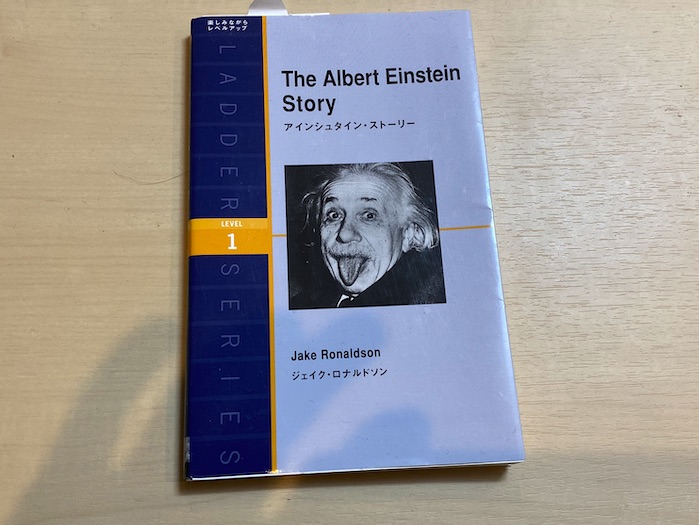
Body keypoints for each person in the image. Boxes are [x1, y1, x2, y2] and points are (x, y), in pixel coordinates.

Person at [289, 163, 446, 308]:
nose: (345, 234)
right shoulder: (298, 304)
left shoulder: (432, 302)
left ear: (409, 234)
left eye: (369, 215)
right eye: (334, 215)